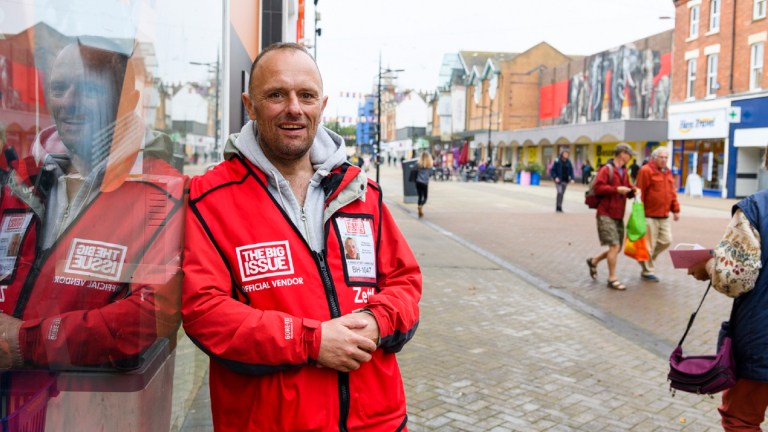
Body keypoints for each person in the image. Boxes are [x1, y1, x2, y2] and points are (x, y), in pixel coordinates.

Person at [181, 42, 422, 432]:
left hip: (378, 422)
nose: (294, 107)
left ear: (321, 104)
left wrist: (378, 321)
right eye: (276, 94)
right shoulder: (210, 199)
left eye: (306, 95)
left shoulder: (362, 192)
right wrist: (311, 341)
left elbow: (405, 282)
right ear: (250, 104)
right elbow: (205, 313)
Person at [0, 39, 186, 429]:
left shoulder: (161, 190)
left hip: (92, 413)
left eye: (86, 88)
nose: (67, 102)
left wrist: (24, 342)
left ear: (127, 99)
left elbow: (152, 315)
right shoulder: (22, 180)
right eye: (58, 87)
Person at [688, 144, 768, 431]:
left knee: (741, 420)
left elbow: (736, 278)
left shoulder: (756, 207)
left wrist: (708, 267)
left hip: (762, 338)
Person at [585, 143, 637, 290]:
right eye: (629, 154)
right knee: (614, 246)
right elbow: (598, 188)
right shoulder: (606, 169)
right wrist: (616, 190)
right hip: (605, 213)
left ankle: (594, 261)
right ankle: (612, 278)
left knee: (617, 247)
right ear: (622, 154)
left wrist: (633, 191)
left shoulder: (624, 171)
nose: (630, 157)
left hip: (618, 214)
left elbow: (627, 189)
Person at [635, 147, 680, 283]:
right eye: (661, 157)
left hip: (664, 215)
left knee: (666, 240)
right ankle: (647, 271)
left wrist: (675, 209)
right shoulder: (646, 170)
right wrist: (639, 213)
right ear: (654, 157)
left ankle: (645, 259)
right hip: (649, 215)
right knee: (649, 245)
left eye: (666, 157)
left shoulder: (668, 172)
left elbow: (671, 192)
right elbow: (639, 192)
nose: (664, 160)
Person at [415, 151, 434, 217]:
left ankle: (420, 209)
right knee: (425, 197)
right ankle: (420, 206)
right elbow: (431, 174)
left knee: (420, 196)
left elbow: (415, 171)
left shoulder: (418, 164)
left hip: (418, 182)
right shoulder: (429, 165)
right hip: (425, 183)